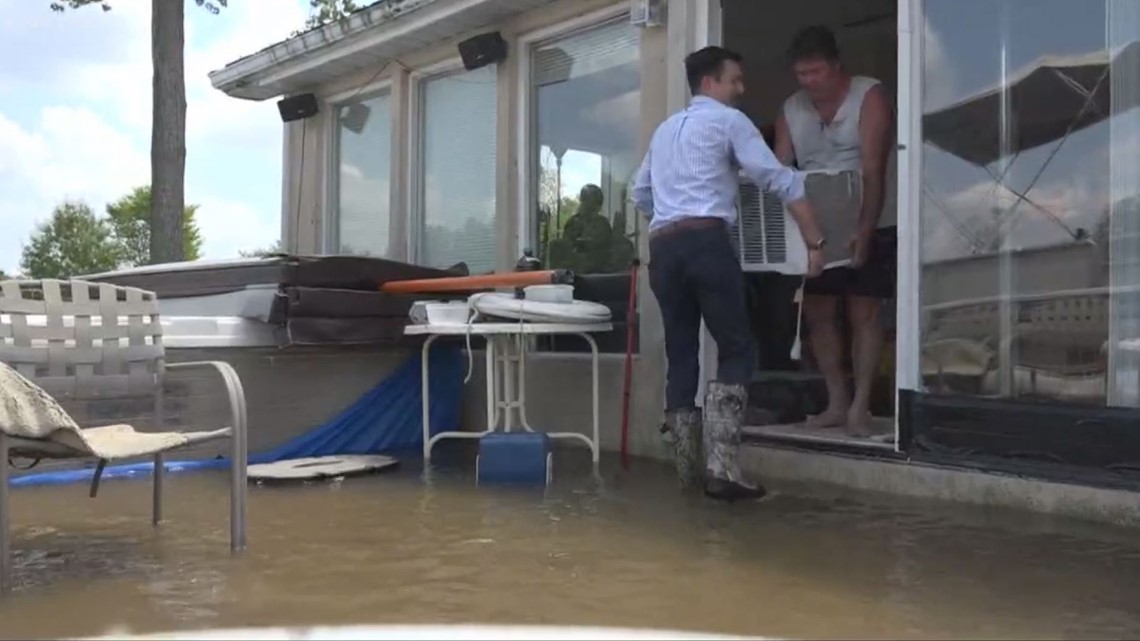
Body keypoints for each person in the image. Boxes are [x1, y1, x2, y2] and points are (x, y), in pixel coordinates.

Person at [631, 46, 826, 501]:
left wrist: (670, 219)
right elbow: (777, 178)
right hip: (705, 240)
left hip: (664, 247)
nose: (741, 89)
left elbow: (640, 194)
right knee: (737, 347)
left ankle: (686, 476)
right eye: (734, 80)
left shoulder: (664, 132)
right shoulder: (728, 121)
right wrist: (815, 242)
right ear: (710, 84)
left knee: (681, 355)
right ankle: (722, 471)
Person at [774, 25, 895, 437]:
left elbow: (874, 169)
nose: (810, 82)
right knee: (819, 313)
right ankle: (836, 401)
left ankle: (861, 404)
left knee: (864, 310)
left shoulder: (870, 94)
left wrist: (866, 227)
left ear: (836, 66)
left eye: (817, 72)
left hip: (866, 213)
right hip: (814, 225)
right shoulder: (791, 108)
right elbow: (779, 170)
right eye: (803, 75)